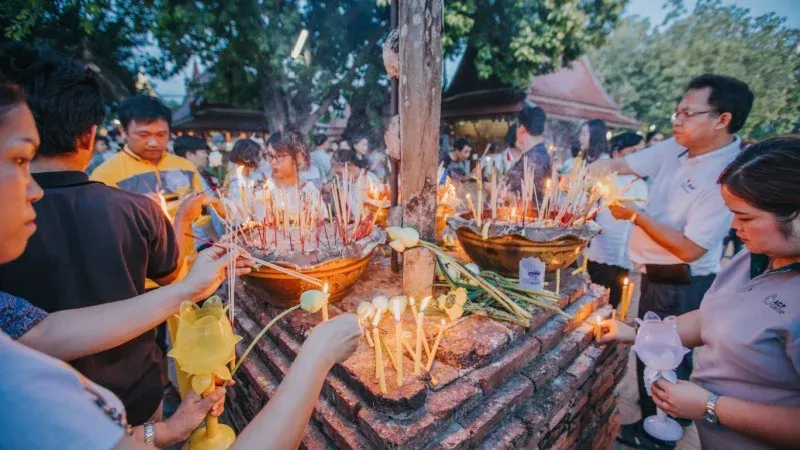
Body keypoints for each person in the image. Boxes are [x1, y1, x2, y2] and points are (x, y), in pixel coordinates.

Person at [0, 43, 206, 426]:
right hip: (85, 403)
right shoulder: (126, 200)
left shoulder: (158, 185)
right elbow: (171, 274)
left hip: (56, 409)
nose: (33, 193)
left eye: (161, 133)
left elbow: (43, 330)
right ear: (93, 135)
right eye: (15, 161)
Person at [598, 136, 800, 450]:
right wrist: (639, 333)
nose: (734, 227)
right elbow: (711, 320)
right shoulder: (755, 255)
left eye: (746, 217)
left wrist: (711, 406)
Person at [589, 74, 754, 447]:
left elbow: (691, 248)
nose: (676, 121)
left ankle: (662, 435)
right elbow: (626, 165)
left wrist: (633, 214)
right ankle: (652, 424)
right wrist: (598, 168)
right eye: (676, 112)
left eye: (687, 112)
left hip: (683, 281)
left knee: (667, 359)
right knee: (648, 353)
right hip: (654, 274)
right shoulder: (676, 149)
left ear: (721, 119)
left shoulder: (727, 173)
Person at [91, 94, 204, 197]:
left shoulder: (185, 167)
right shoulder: (104, 176)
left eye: (161, 134)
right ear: (124, 131)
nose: (153, 143)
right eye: (143, 135)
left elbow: (203, 211)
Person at [584, 132, 648, 307]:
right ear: (616, 153)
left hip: (626, 255)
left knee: (616, 302)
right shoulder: (604, 180)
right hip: (602, 251)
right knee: (595, 300)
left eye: (641, 151)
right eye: (633, 150)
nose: (638, 157)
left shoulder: (641, 184)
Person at [505, 105, 551, 196]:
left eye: (517, 126)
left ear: (522, 129)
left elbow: (521, 199)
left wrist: (493, 190)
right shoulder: (539, 154)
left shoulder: (533, 159)